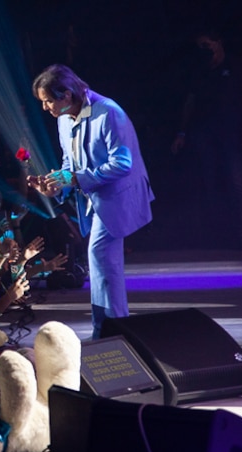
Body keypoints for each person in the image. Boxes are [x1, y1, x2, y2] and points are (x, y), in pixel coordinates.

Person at [28, 64, 154, 339]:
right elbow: (69, 164)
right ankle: (111, 328)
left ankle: (111, 329)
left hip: (117, 197)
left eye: (49, 101)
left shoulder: (108, 112)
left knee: (99, 255)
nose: (45, 108)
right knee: (103, 261)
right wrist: (54, 185)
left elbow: (122, 164)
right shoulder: (64, 119)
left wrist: (74, 178)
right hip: (94, 199)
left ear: (68, 95)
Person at [170, 28, 242, 249]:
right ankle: (215, 235)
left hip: (232, 135)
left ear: (218, 42)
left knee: (235, 182)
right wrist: (182, 132)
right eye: (200, 46)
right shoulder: (200, 70)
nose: (204, 50)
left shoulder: (237, 66)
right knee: (210, 183)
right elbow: (190, 103)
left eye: (207, 44)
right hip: (204, 134)